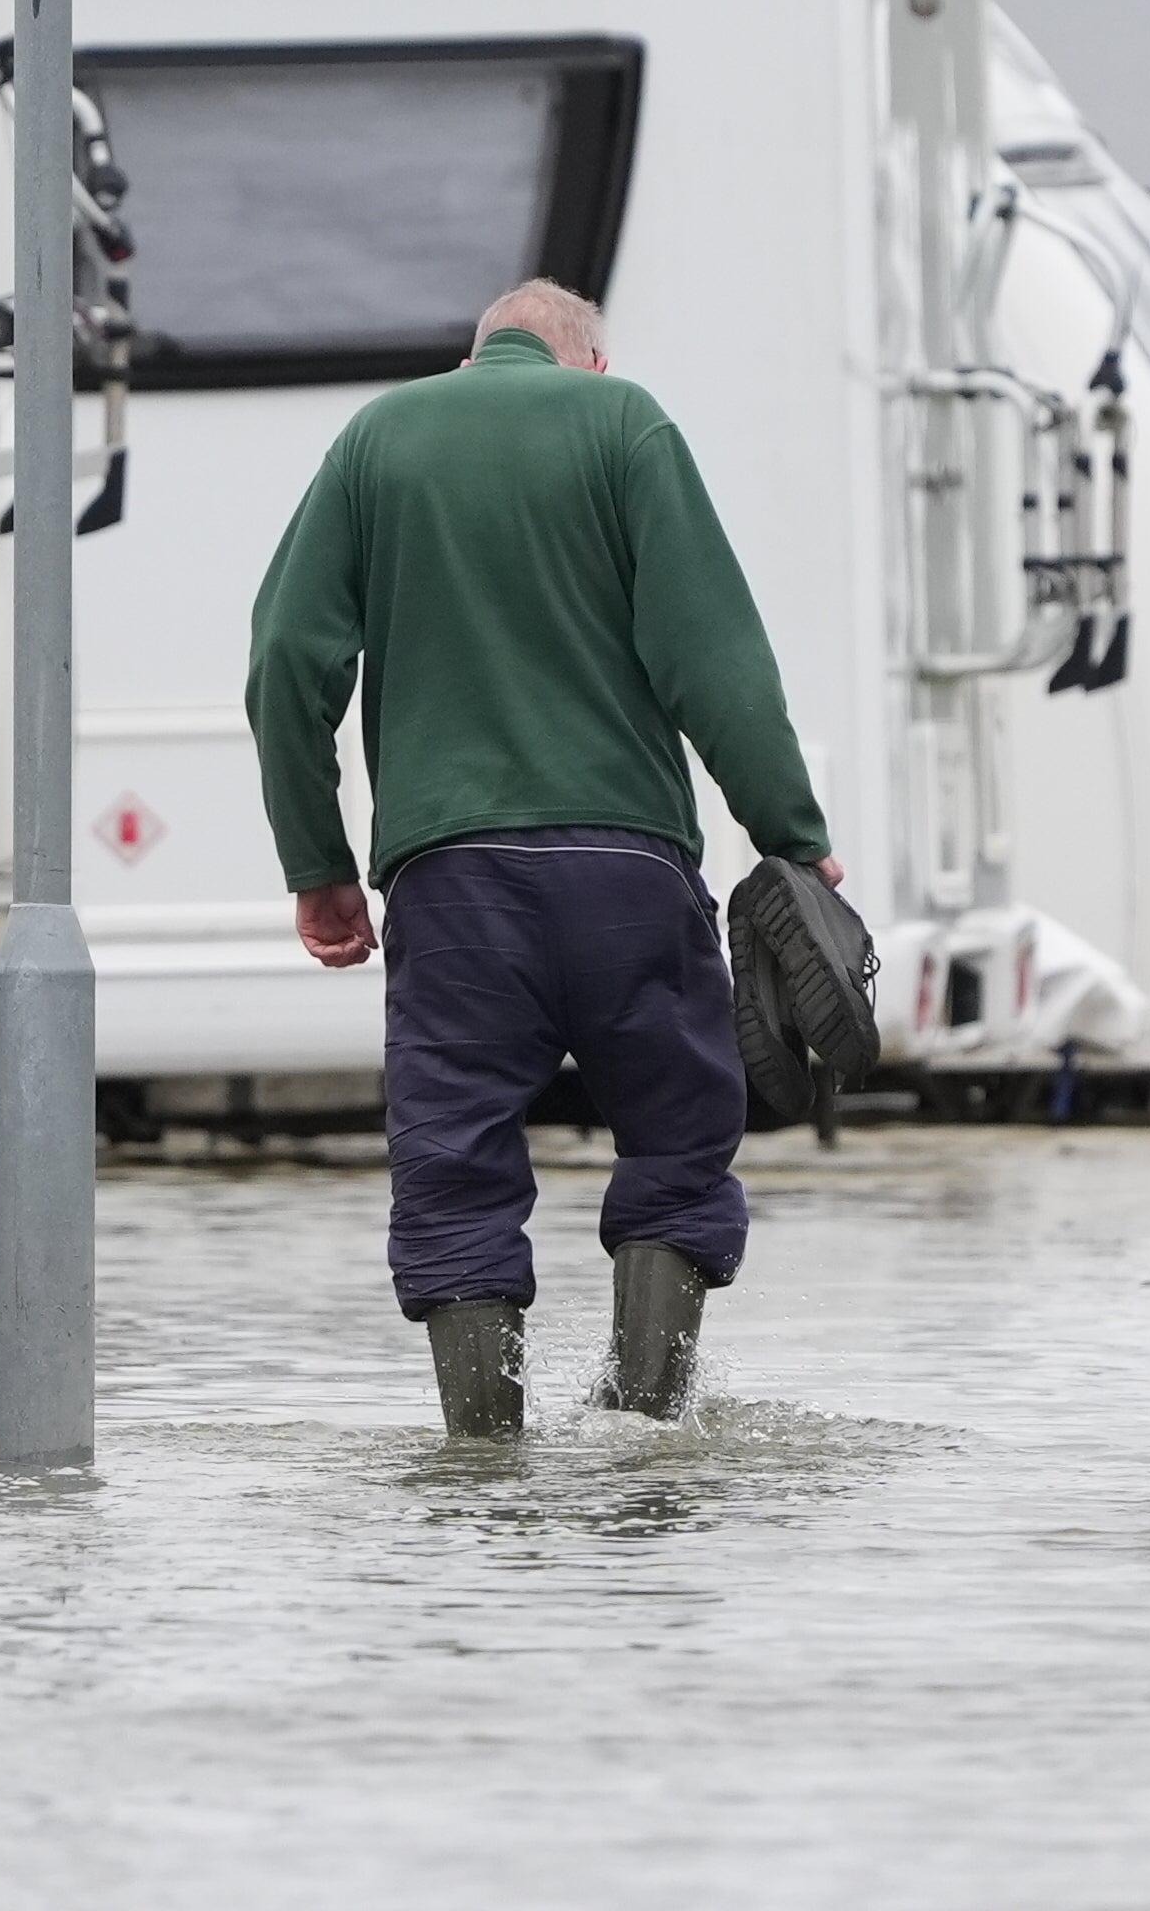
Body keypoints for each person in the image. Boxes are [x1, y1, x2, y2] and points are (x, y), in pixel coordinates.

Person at [243, 280, 836, 1439]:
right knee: (676, 1133)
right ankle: (645, 1431)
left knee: (453, 1160)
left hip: (450, 883)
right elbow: (712, 655)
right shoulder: (623, 425)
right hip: (629, 871)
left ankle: (482, 1467)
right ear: (588, 362)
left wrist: (315, 863)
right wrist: (792, 838)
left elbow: (283, 660)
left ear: (475, 360)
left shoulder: (378, 440)